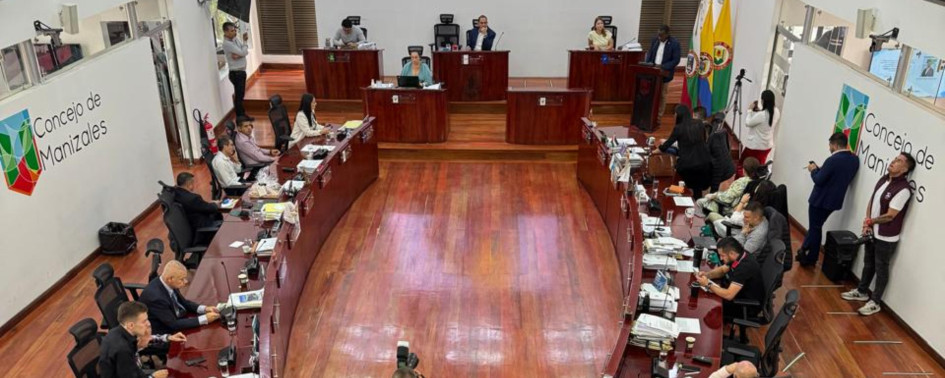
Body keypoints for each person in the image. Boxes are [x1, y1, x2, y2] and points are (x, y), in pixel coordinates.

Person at [841, 153, 916, 316]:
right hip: (872, 231)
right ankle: (862, 291)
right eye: (894, 158)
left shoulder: (903, 190)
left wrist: (871, 222)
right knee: (868, 263)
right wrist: (867, 221)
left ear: (905, 169)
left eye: (898, 161)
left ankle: (875, 302)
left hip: (886, 238)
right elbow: (872, 200)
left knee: (881, 269)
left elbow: (890, 215)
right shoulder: (884, 179)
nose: (893, 161)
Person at [796, 132, 860, 267]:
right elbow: (838, 176)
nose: (829, 148)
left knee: (815, 228)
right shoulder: (854, 160)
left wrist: (813, 170)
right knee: (816, 226)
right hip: (834, 201)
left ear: (835, 145)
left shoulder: (832, 160)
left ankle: (811, 257)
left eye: (830, 145)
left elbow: (818, 180)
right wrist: (822, 169)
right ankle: (804, 249)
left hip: (820, 200)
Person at [139, 260, 221, 334]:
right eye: (182, 279)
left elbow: (184, 303)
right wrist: (205, 319)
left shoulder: (168, 283)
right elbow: (173, 324)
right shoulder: (156, 298)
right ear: (170, 279)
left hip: (176, 318)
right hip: (163, 332)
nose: (185, 282)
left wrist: (205, 309)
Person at [695, 237, 765, 318]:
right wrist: (707, 275)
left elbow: (729, 295)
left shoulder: (745, 267)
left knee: (705, 306)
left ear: (731, 253)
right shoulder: (740, 255)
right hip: (736, 293)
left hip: (744, 306)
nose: (721, 258)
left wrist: (708, 284)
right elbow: (722, 270)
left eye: (722, 256)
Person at [99, 301, 169, 378]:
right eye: (144, 321)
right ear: (131, 325)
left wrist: (167, 338)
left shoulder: (118, 331)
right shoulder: (123, 350)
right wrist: (153, 377)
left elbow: (146, 340)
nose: (148, 323)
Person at [657, 105, 712, 200]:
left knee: (677, 187)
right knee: (697, 189)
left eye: (675, 113)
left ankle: (677, 206)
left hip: (687, 166)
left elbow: (664, 146)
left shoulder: (678, 128)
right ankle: (696, 208)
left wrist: (652, 152)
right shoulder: (699, 124)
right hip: (704, 163)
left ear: (678, 115)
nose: (674, 115)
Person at [697, 157, 760, 222]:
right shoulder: (757, 182)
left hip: (728, 208)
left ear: (744, 170)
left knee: (699, 202)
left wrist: (714, 195)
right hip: (740, 208)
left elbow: (727, 198)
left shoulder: (741, 182)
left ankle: (700, 223)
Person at [712, 180, 777, 236]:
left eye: (758, 186)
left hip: (735, 231)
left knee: (711, 215)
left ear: (760, 190)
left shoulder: (754, 210)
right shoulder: (763, 208)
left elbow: (733, 219)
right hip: (738, 226)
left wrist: (742, 202)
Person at [643, 25, 681, 119]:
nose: (659, 37)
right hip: (653, 70)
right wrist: (647, 64)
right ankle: (649, 113)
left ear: (667, 34)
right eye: (658, 35)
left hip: (664, 72)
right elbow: (650, 53)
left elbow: (676, 60)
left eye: (661, 35)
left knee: (662, 95)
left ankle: (658, 116)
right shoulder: (655, 40)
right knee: (650, 93)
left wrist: (663, 67)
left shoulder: (674, 43)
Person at [741, 90, 779, 173]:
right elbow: (764, 121)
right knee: (758, 170)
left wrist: (750, 110)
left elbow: (748, 123)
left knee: (743, 166)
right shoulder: (776, 111)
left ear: (763, 101)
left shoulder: (762, 115)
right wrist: (758, 112)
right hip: (767, 146)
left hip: (755, 147)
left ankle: (739, 184)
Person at [222, 22, 251, 120]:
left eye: (235, 30)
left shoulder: (235, 39)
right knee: (239, 96)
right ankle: (240, 117)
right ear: (225, 32)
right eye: (231, 31)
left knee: (240, 95)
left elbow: (244, 52)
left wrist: (240, 53)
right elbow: (243, 51)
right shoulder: (227, 44)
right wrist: (244, 46)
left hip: (241, 72)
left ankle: (242, 116)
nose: (234, 32)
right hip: (236, 73)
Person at [706, 111, 736, 192]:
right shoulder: (721, 131)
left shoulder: (714, 147)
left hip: (726, 175)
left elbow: (717, 174)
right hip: (729, 167)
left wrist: (712, 193)